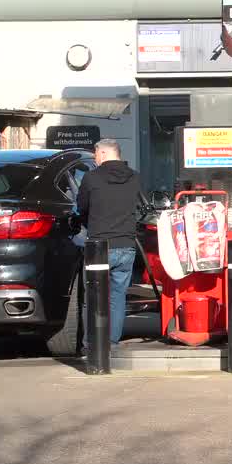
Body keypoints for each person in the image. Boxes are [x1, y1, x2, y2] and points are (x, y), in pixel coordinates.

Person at [77, 138, 142, 349]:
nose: (95, 159)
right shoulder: (134, 177)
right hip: (126, 244)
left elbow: (82, 207)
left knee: (94, 297)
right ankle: (111, 343)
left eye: (96, 154)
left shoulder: (91, 177)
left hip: (99, 246)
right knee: (117, 296)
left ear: (103, 153)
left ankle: (93, 345)